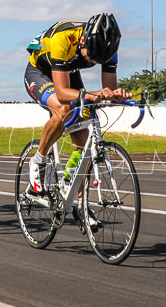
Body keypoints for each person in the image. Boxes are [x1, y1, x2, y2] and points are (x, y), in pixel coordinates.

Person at [23, 12, 128, 202]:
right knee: (64, 109)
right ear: (83, 40)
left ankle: (78, 202)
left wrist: (117, 95)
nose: (92, 62)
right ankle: (38, 160)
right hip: (40, 72)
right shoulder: (62, 39)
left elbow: (109, 91)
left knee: (83, 137)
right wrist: (93, 95)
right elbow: (63, 93)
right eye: (91, 56)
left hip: (68, 70)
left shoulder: (108, 49)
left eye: (98, 61)